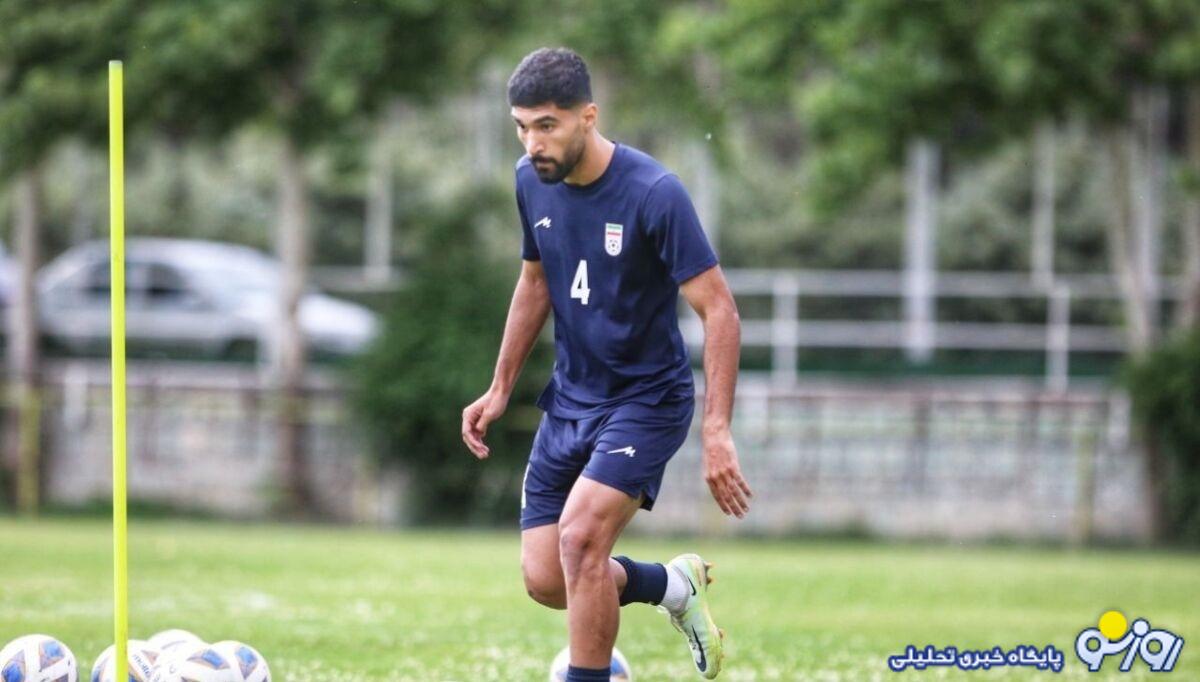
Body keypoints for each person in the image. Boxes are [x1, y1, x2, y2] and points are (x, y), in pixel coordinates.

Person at [461, 47, 752, 682]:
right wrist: (500, 386)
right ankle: (674, 587)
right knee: (548, 579)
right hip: (571, 399)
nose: (532, 142)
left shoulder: (654, 193)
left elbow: (720, 312)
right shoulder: (528, 180)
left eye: (547, 125)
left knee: (580, 543)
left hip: (646, 401)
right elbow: (534, 283)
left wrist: (716, 429)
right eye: (521, 125)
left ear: (588, 116)